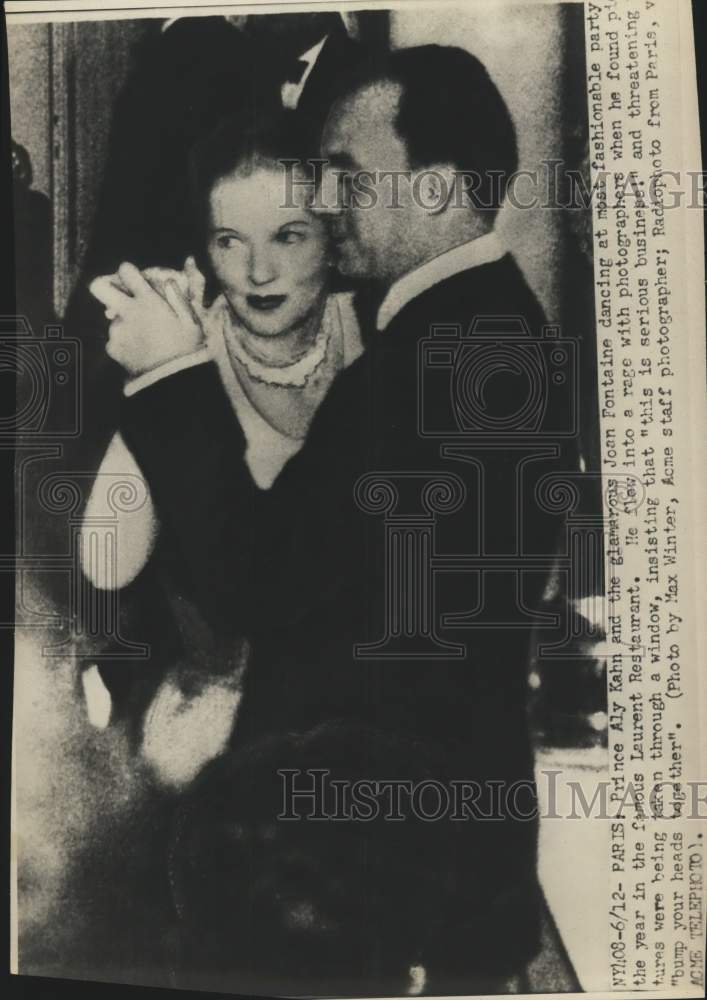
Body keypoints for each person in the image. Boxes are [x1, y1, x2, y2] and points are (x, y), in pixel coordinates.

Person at [109, 45, 581, 994]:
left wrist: (167, 376)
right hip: (424, 871)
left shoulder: (425, 363)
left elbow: (256, 576)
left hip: (371, 886)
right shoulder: (484, 332)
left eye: (348, 177)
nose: (325, 202)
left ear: (441, 190)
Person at [82, 111, 362, 764]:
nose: (257, 270)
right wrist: (158, 375)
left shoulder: (374, 341)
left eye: (288, 236)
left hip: (359, 716)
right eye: (229, 241)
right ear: (201, 254)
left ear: (333, 237)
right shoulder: (182, 364)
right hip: (217, 733)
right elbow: (105, 560)